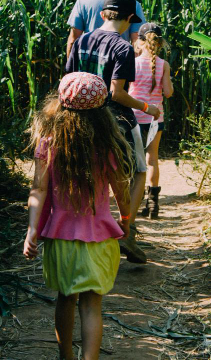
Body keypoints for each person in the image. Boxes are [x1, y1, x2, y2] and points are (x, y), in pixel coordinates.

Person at [23, 72, 134, 360]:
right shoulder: (107, 145)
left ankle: (66, 356)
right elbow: (120, 186)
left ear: (60, 104)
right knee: (91, 305)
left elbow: (38, 189)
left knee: (65, 298)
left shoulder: (49, 142)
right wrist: (126, 216)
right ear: (101, 110)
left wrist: (32, 230)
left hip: (60, 238)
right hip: (99, 238)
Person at [65, 0, 159, 263]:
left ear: (104, 14)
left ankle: (83, 233)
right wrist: (146, 108)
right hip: (115, 121)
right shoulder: (123, 48)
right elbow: (117, 93)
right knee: (139, 171)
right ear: (130, 19)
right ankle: (125, 230)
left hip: (79, 118)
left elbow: (68, 81)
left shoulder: (81, 40)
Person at [129, 23, 173, 218]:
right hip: (156, 117)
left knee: (134, 159)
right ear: (161, 43)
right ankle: (153, 204)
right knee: (152, 158)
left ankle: (133, 203)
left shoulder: (133, 63)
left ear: (139, 42)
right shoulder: (164, 65)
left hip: (134, 117)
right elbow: (169, 92)